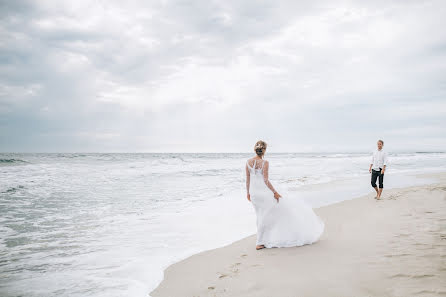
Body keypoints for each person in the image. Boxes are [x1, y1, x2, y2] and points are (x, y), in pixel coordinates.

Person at [245, 140, 324, 250]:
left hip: (254, 193)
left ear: (255, 149)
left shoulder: (248, 162)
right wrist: (275, 193)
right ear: (264, 150)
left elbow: (248, 180)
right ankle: (261, 241)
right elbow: (266, 181)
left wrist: (248, 193)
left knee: (260, 215)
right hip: (264, 193)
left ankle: (263, 240)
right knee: (271, 214)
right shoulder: (264, 163)